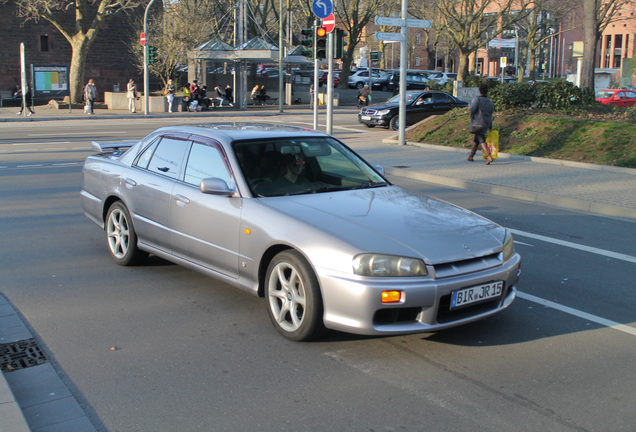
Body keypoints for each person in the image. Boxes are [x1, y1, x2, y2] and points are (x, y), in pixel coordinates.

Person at [467, 84, 494, 165]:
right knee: (477, 139)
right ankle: (471, 156)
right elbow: (490, 113)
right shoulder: (489, 101)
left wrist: (471, 103)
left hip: (478, 123)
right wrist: (490, 126)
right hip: (486, 123)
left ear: (479, 91)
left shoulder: (477, 100)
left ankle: (489, 156)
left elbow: (472, 110)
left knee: (481, 139)